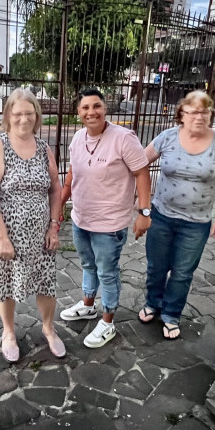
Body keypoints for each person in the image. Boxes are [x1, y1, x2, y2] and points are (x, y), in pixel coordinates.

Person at [137, 90, 215, 340]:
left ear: (211, 114)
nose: (199, 116)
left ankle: (171, 314)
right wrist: (142, 204)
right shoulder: (167, 137)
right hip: (161, 216)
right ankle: (153, 303)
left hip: (196, 223)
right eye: (193, 111)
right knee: (156, 267)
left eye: (204, 111)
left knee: (182, 273)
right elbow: (139, 163)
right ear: (182, 114)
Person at [59, 88, 152, 348]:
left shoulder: (124, 138)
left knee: (108, 273)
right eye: (85, 107)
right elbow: (72, 173)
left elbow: (142, 173)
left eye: (96, 106)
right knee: (88, 266)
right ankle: (89, 305)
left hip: (109, 225)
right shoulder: (77, 138)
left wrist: (144, 213)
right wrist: (61, 202)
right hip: (81, 219)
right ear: (78, 113)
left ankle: (108, 322)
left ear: (105, 108)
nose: (92, 112)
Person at [0, 88, 64, 362]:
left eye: (29, 113)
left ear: (37, 116)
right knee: (7, 285)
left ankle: (49, 329)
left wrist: (53, 226)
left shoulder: (43, 147)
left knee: (46, 284)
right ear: (8, 116)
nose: (24, 119)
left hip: (41, 234)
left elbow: (55, 188)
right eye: (18, 114)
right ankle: (8, 333)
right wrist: (1, 237)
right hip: (9, 234)